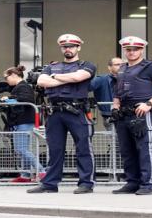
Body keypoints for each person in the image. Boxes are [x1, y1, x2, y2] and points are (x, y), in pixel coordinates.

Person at [27, 34, 97, 194]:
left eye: (71, 46)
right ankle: (49, 184)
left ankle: (86, 183)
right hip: (54, 112)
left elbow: (79, 76)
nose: (68, 49)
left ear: (78, 47)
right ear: (61, 48)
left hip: (77, 111)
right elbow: (41, 82)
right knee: (55, 150)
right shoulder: (51, 66)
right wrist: (68, 79)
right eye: (65, 46)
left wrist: (56, 77)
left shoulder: (87, 65)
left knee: (84, 148)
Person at [111, 36, 152, 195]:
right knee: (127, 151)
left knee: (145, 150)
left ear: (141, 50)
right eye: (128, 49)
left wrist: (149, 104)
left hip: (142, 113)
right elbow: (118, 91)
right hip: (124, 114)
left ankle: (149, 185)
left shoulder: (151, 67)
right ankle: (132, 182)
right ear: (124, 50)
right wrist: (115, 106)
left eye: (135, 49)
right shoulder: (122, 68)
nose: (131, 52)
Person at [2, 65, 46, 183]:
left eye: (7, 78)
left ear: (14, 75)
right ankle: (26, 174)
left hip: (24, 121)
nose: (6, 80)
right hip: (22, 122)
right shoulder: (20, 87)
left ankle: (42, 171)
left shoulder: (23, 87)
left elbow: (27, 100)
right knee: (23, 149)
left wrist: (9, 99)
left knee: (21, 149)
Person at [90, 57, 123, 130]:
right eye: (117, 64)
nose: (120, 67)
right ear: (109, 67)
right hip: (109, 115)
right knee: (115, 140)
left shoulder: (129, 79)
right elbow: (87, 87)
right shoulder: (101, 79)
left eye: (122, 65)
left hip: (127, 114)